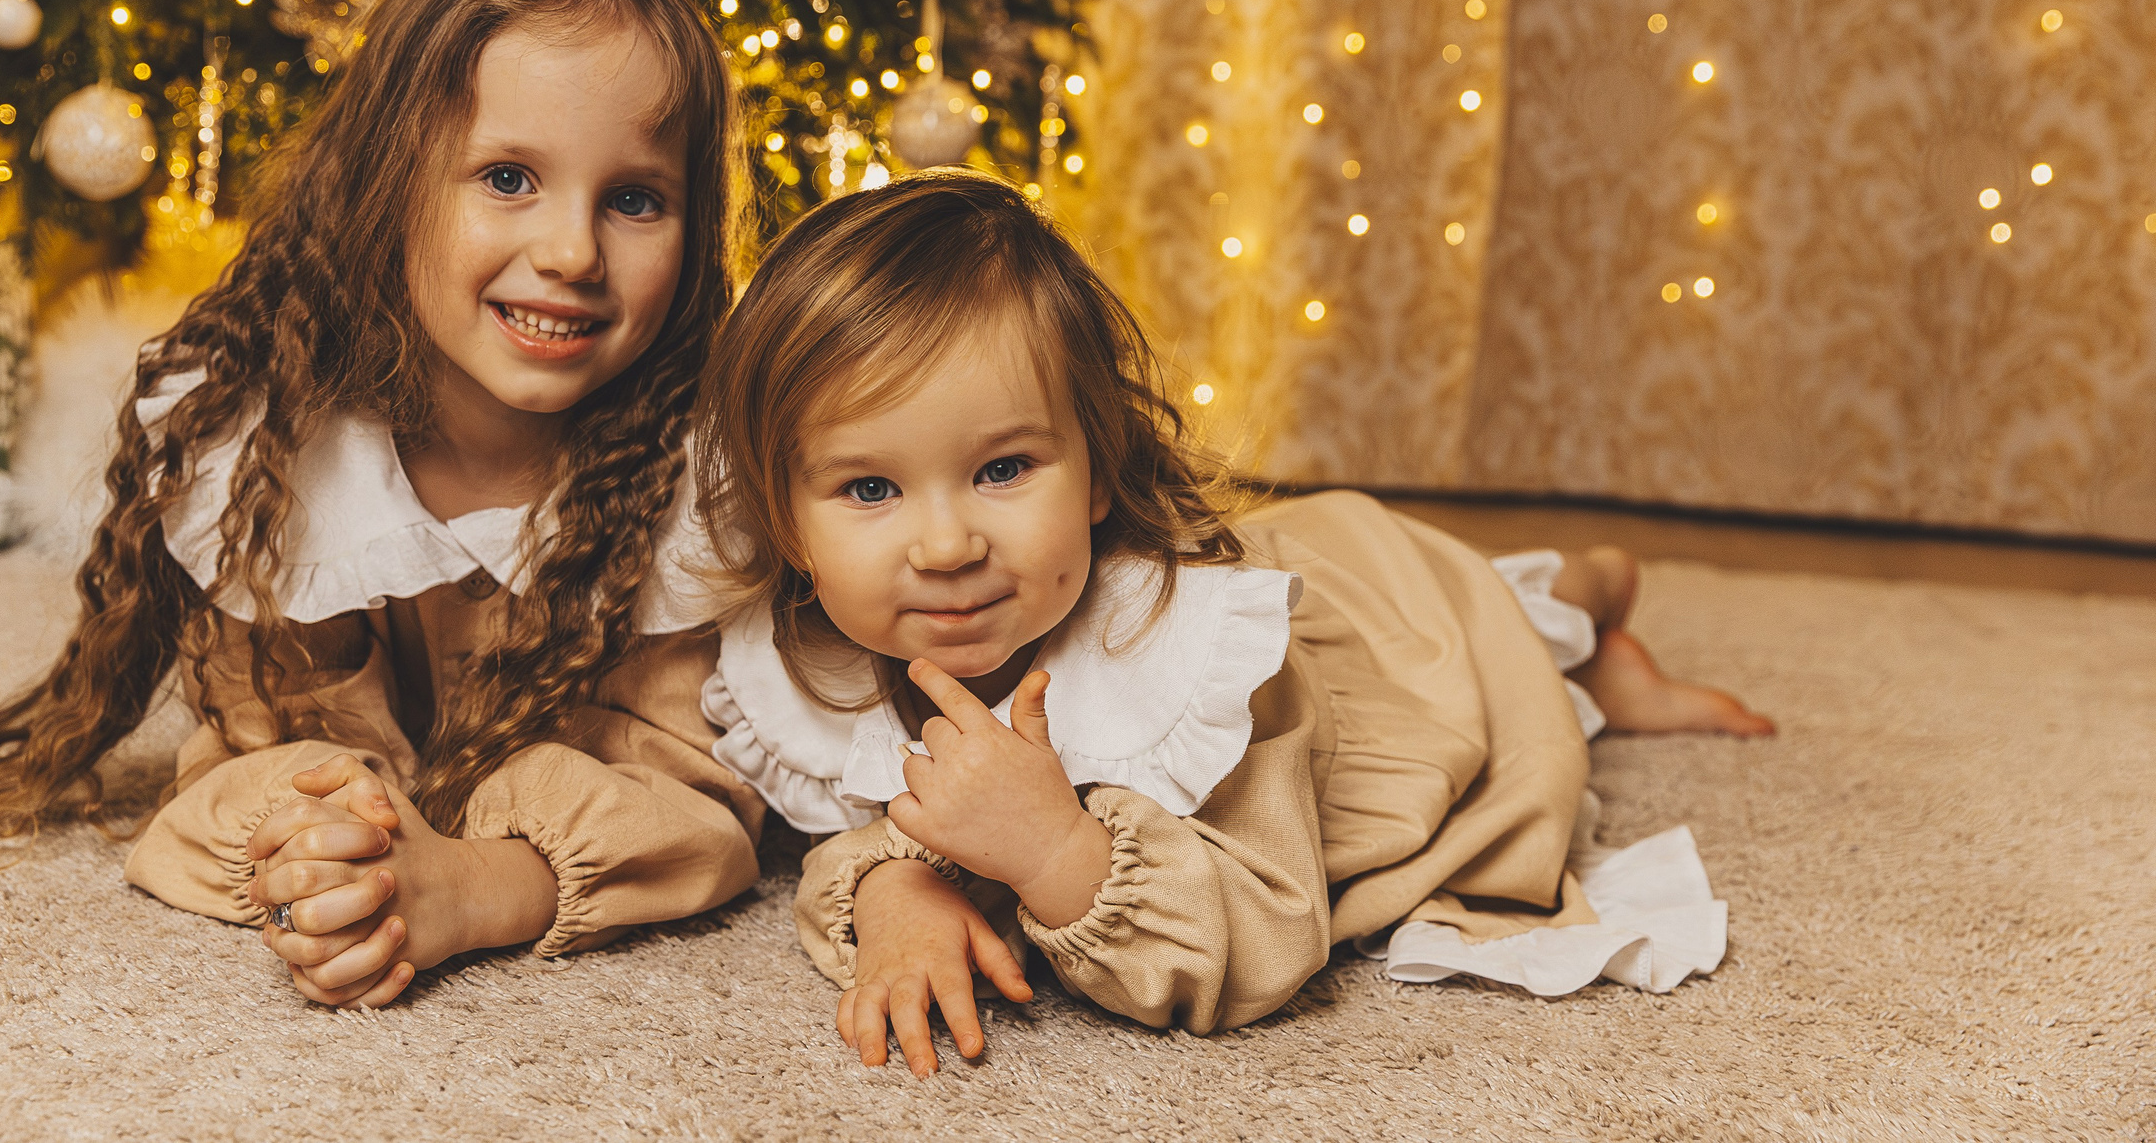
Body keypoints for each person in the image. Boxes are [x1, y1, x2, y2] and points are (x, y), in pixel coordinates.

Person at [0, 0, 764, 1008]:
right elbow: (229, 770)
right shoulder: (279, 460)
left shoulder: (687, 486)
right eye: (508, 177)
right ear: (388, 186)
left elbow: (698, 808)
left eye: (635, 199)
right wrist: (326, 847)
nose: (572, 252)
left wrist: (479, 886)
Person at [686, 171, 1772, 1070]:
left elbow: (1268, 933)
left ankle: (1594, 599)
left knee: (1510, 629)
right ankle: (1594, 655)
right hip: (1312, 567)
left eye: (1003, 469)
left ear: (1098, 469)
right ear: (788, 523)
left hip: (1395, 628)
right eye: (870, 489)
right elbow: (849, 829)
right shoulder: (820, 656)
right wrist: (897, 891)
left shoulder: (1205, 665)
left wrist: (1059, 850)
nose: (946, 545)